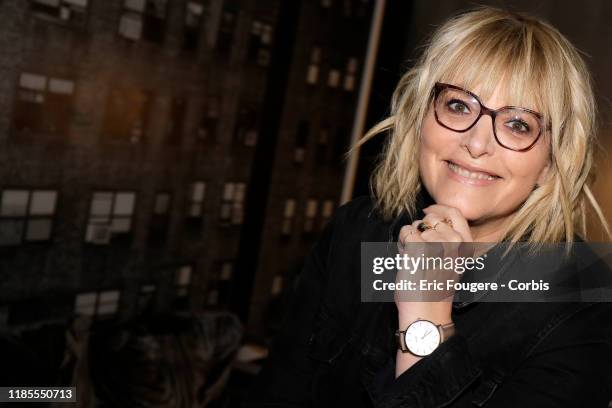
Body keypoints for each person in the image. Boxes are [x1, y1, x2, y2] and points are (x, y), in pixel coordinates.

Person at [244, 6, 612, 407]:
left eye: (518, 124)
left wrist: (426, 321)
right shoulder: (358, 231)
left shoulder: (584, 301)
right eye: (459, 106)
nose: (475, 142)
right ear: (421, 117)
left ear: (551, 162)